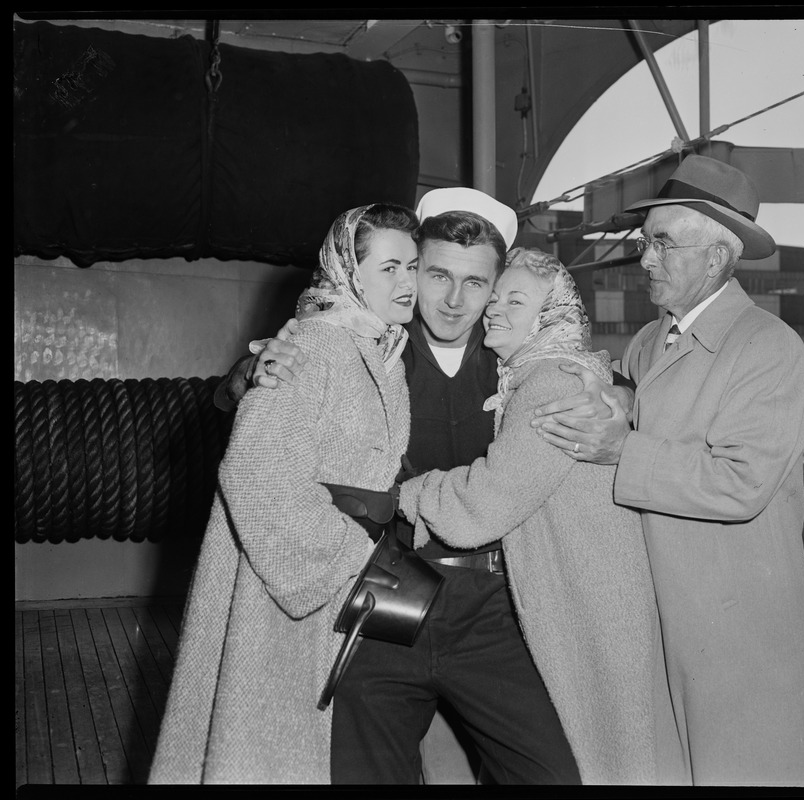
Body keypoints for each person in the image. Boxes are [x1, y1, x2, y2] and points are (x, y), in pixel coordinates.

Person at [213, 188, 583, 785]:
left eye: (477, 283)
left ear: (497, 289)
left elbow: (587, 370)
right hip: (386, 595)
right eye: (435, 274)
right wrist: (246, 375)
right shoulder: (376, 343)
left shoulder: (515, 360)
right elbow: (286, 380)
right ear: (412, 269)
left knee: (550, 773)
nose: (455, 300)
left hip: (492, 607)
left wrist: (619, 397)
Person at [531, 154, 804, 788]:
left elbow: (741, 484)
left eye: (664, 243)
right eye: (647, 242)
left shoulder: (768, 346)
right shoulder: (647, 341)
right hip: (662, 614)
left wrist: (623, 449)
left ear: (719, 257)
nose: (645, 258)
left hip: (738, 629)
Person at [149, 203, 419, 784]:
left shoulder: (378, 347)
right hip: (290, 576)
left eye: (413, 266)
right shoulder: (311, 347)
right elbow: (253, 470)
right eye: (391, 267)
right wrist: (350, 554)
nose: (408, 283)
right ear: (349, 270)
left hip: (332, 573)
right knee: (268, 747)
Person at [396, 247, 682, 785]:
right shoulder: (558, 373)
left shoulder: (549, 384)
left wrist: (405, 495)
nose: (493, 311)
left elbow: (483, 506)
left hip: (586, 599)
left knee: (594, 757)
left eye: (516, 301)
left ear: (549, 317)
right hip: (585, 591)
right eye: (496, 297)